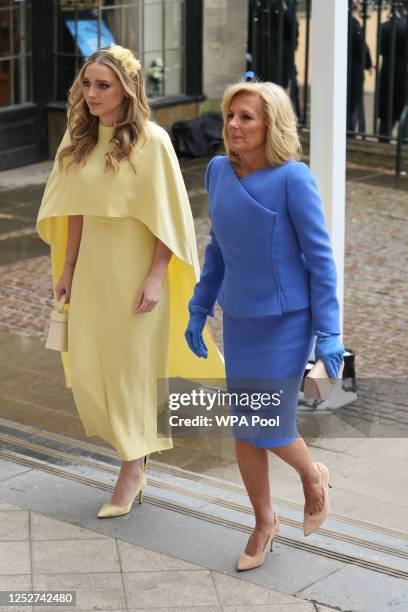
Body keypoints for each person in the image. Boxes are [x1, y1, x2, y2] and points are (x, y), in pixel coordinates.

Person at [37, 45, 223, 519]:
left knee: (131, 370)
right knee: (91, 366)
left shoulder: (154, 142)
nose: (92, 93)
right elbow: (75, 209)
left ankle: (132, 466)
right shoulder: (77, 139)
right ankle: (129, 450)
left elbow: (168, 218)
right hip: (94, 266)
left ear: (127, 89)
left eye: (104, 85)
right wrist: (69, 268)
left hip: (136, 266)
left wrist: (157, 276)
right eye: (87, 84)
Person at [185, 81, 344, 571]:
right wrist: (199, 306)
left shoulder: (293, 178)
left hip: (286, 322)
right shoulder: (217, 171)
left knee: (269, 425)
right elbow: (217, 249)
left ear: (270, 123)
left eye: (246, 117)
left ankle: (313, 475)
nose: (233, 125)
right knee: (244, 429)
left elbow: (320, 259)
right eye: (230, 115)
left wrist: (330, 332)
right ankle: (263, 521)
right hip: (242, 320)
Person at [378, 3, 408, 139]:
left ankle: (384, 139)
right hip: (403, 75)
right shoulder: (405, 26)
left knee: (387, 115)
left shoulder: (384, 27)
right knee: (403, 114)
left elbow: (380, 50)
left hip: (387, 72)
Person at [347, 0, 374, 133]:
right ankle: (350, 132)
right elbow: (361, 46)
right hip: (353, 70)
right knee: (353, 103)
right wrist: (369, 63)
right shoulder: (353, 23)